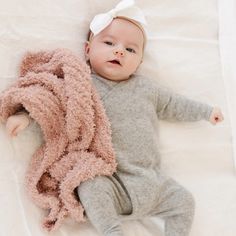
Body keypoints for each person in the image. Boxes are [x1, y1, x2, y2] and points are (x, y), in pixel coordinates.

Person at [3, 0, 224, 235]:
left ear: (139, 62)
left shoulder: (148, 88)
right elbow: (52, 101)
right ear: (88, 50)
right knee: (89, 186)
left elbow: (175, 104)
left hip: (151, 181)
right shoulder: (82, 86)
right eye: (109, 43)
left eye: (130, 49)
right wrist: (25, 116)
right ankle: (111, 230)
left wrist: (205, 112)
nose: (119, 50)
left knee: (184, 202)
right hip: (110, 179)